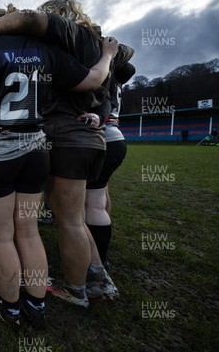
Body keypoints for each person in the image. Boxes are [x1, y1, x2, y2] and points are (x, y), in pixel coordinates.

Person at [0, 0, 133, 307]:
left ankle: (10, 306)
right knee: (29, 231)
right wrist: (107, 56)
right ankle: (38, 303)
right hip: (37, 149)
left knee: (2, 235)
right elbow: (94, 79)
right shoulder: (47, 51)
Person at [85, 62, 135, 276]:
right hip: (117, 139)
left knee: (93, 204)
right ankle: (101, 253)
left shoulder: (100, 76)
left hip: (101, 139)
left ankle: (98, 260)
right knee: (102, 194)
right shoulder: (116, 78)